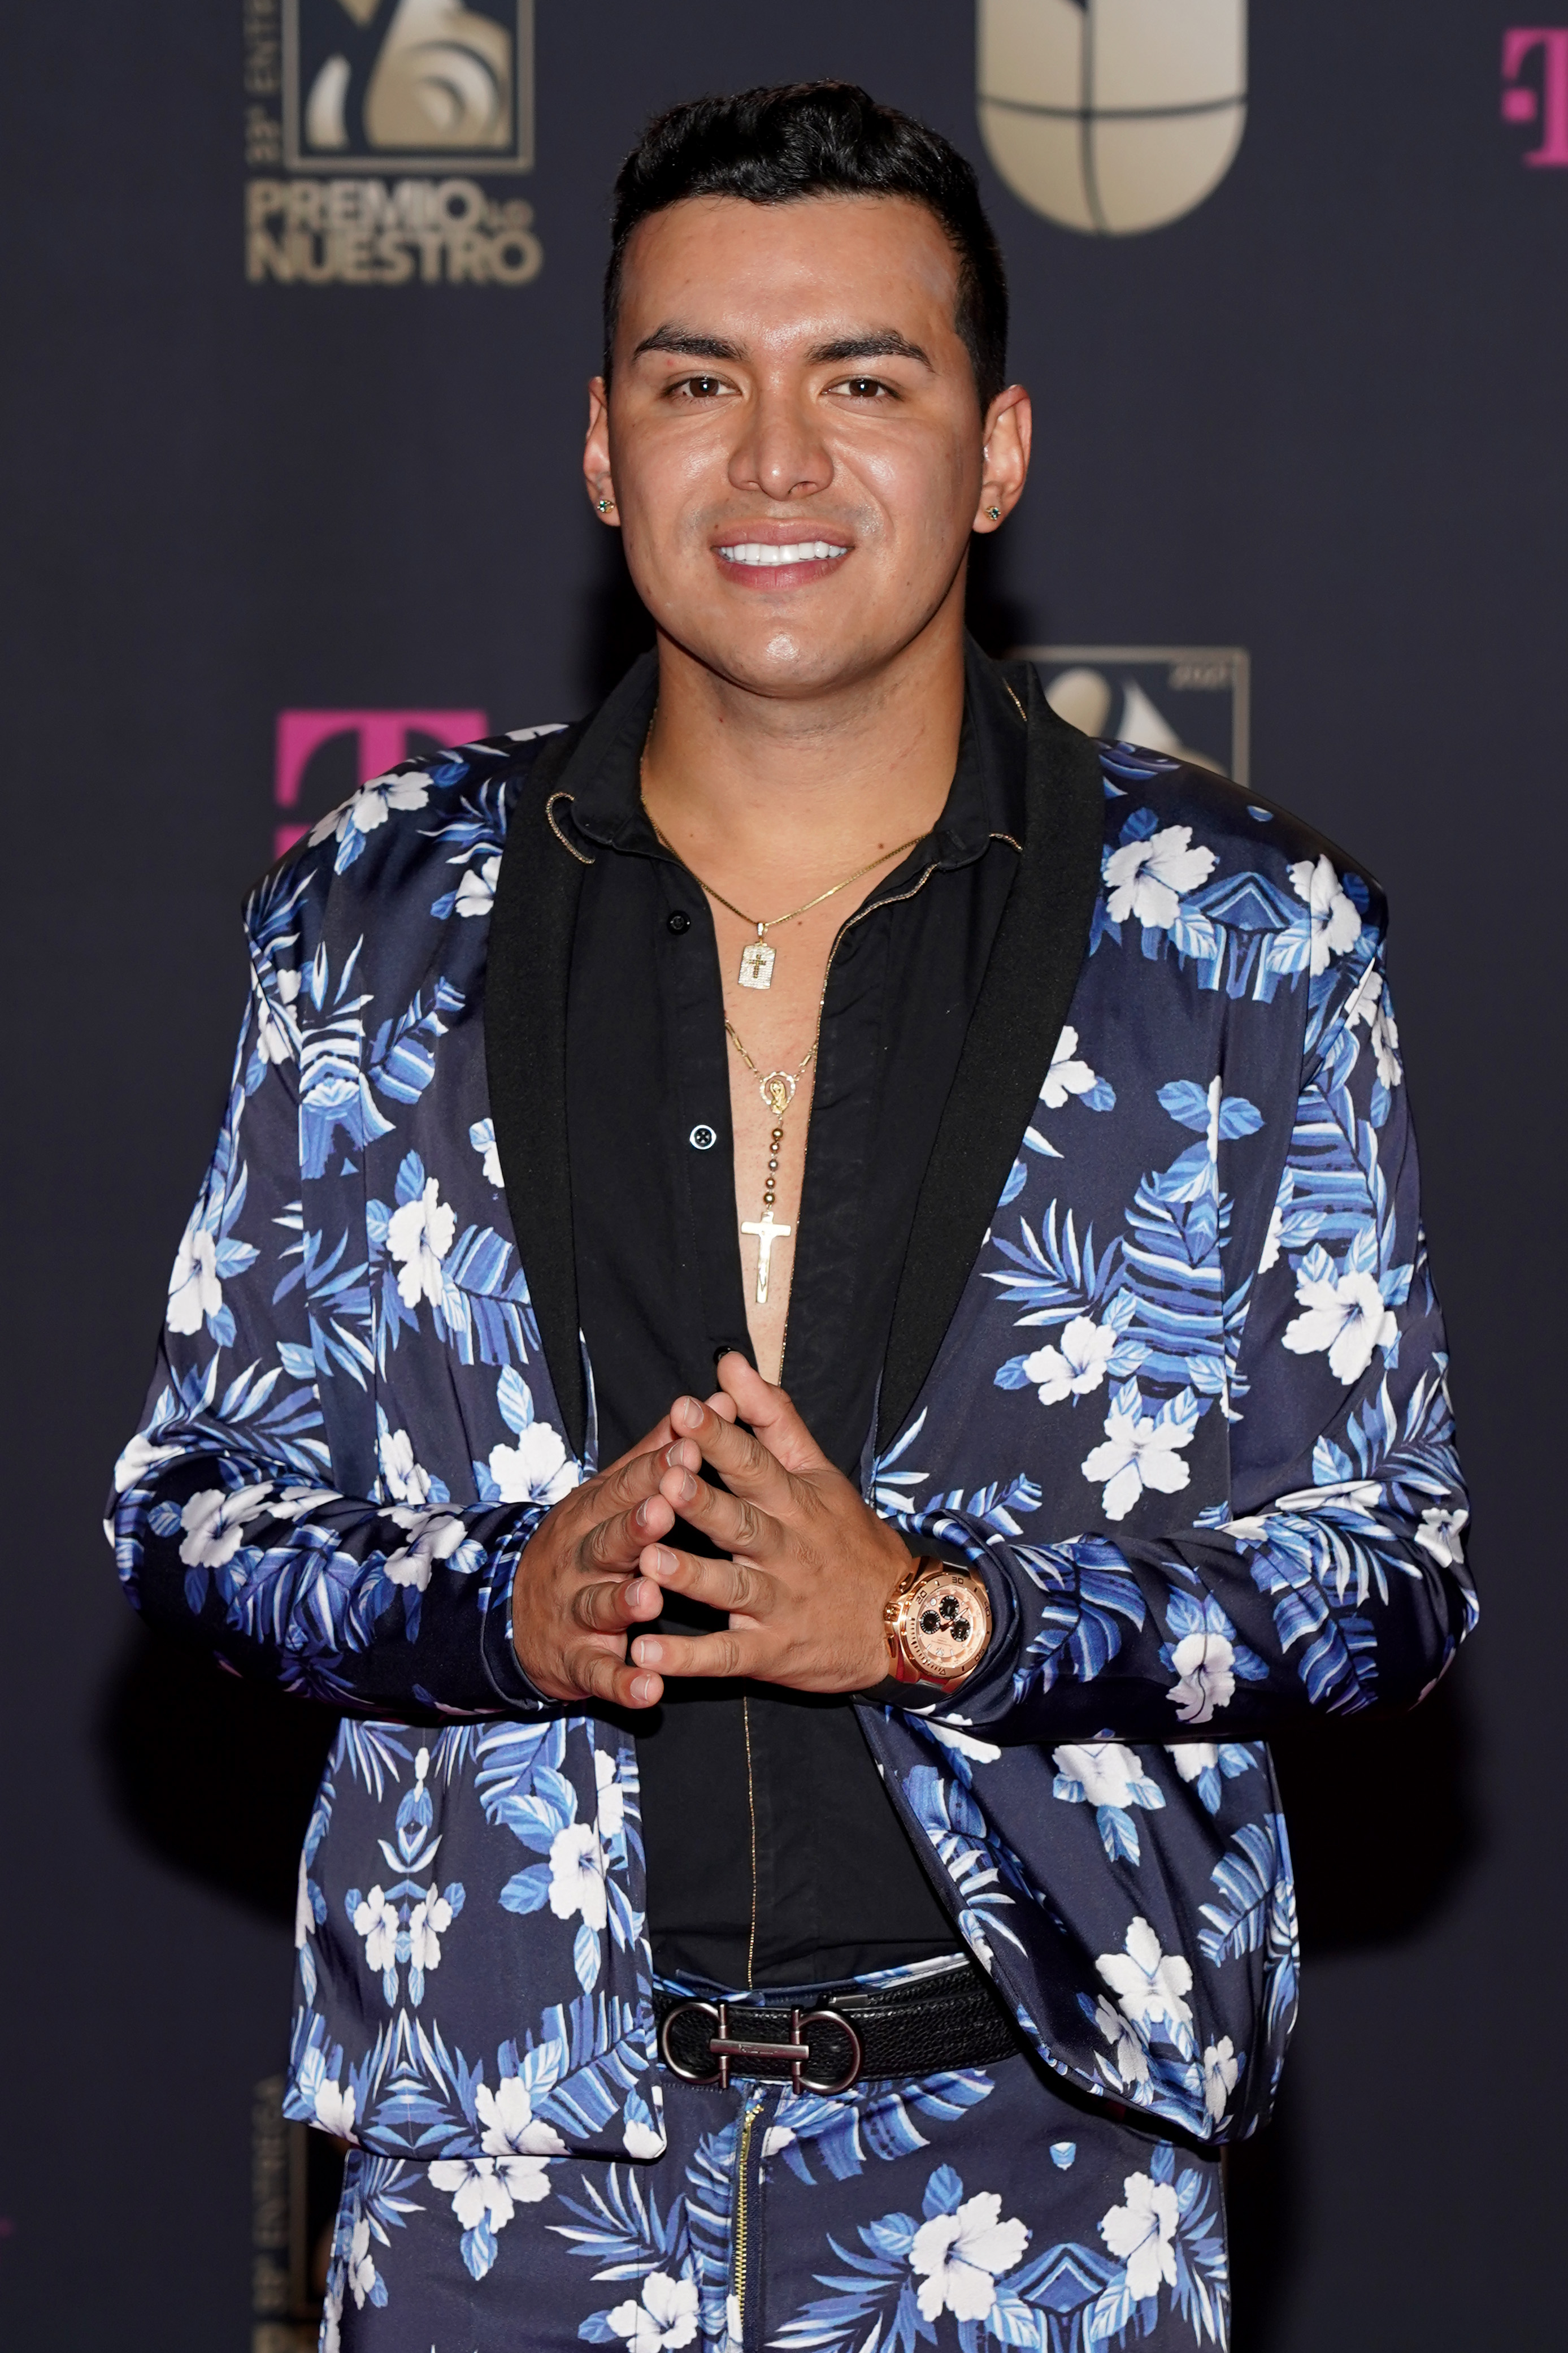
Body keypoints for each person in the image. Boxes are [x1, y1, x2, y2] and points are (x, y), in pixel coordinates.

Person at [110, 81, 1474, 2352]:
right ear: (598, 445)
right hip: (499, 2176)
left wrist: (933, 1615)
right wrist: (497, 1608)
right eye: (695, 382)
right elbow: (190, 1511)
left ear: (996, 448)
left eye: (862, 380)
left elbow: (1380, 1576)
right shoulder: (368, 915)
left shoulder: (1243, 939)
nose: (773, 465)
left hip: (1040, 2184)